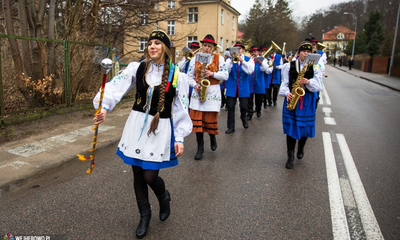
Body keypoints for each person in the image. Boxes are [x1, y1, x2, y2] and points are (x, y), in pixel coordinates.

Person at [93, 30, 193, 238]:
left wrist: (180, 137)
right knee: (137, 173)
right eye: (150, 44)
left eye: (157, 43)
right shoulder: (136, 68)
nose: (152, 46)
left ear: (165, 48)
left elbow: (181, 108)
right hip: (136, 127)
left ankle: (163, 197)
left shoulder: (177, 75)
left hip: (160, 130)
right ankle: (144, 216)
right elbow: (114, 87)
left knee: (150, 175)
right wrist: (104, 107)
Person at [278, 41, 323, 169]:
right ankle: (290, 157)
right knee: (291, 129)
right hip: (293, 98)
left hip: (307, 100)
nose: (306, 54)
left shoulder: (315, 67)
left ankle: (301, 147)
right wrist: (287, 93)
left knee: (304, 128)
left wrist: (308, 81)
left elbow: (319, 85)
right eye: (304, 51)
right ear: (299, 53)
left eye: (309, 52)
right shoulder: (289, 65)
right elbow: (284, 84)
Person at [187, 34, 228, 160]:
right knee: (198, 122)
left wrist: (213, 74)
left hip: (212, 93)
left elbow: (225, 75)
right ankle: (200, 148)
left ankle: (212, 137)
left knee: (209, 120)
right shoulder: (195, 58)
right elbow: (189, 76)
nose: (206, 48)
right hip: (198, 93)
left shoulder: (219, 58)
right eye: (204, 46)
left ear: (213, 48)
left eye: (209, 46)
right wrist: (195, 85)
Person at [225, 42, 254, 133]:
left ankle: (243, 117)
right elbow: (226, 71)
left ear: (243, 50)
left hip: (243, 87)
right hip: (232, 86)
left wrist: (242, 61)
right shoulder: (229, 60)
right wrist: (231, 60)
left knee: (244, 106)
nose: (238, 50)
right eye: (236, 49)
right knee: (230, 107)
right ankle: (231, 127)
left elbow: (249, 71)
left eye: (240, 49)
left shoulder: (248, 60)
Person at [247, 46, 273, 120]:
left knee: (258, 99)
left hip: (259, 82)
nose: (253, 53)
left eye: (255, 52)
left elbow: (265, 69)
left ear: (258, 52)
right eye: (252, 52)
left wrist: (261, 63)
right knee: (249, 99)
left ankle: (258, 110)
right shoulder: (249, 59)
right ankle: (249, 113)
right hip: (250, 82)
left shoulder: (263, 59)